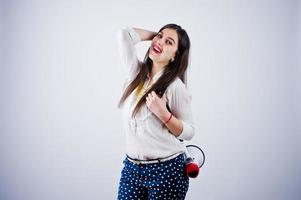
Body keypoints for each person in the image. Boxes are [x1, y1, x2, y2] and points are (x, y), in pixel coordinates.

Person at [116, 24, 195, 200]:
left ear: (175, 56)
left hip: (166, 171)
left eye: (169, 42)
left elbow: (189, 132)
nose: (160, 42)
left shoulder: (175, 86)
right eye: (160, 36)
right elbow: (124, 34)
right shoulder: (136, 73)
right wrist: (156, 37)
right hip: (132, 169)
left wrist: (164, 114)